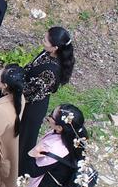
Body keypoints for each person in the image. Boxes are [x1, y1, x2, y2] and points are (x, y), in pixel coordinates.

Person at [18, 27, 75, 175]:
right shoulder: (47, 53)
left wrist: (14, 87)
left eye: (45, 40)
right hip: (29, 95)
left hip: (33, 105)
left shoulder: (52, 71)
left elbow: (31, 92)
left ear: (55, 47)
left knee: (25, 137)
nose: (42, 41)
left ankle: (19, 169)